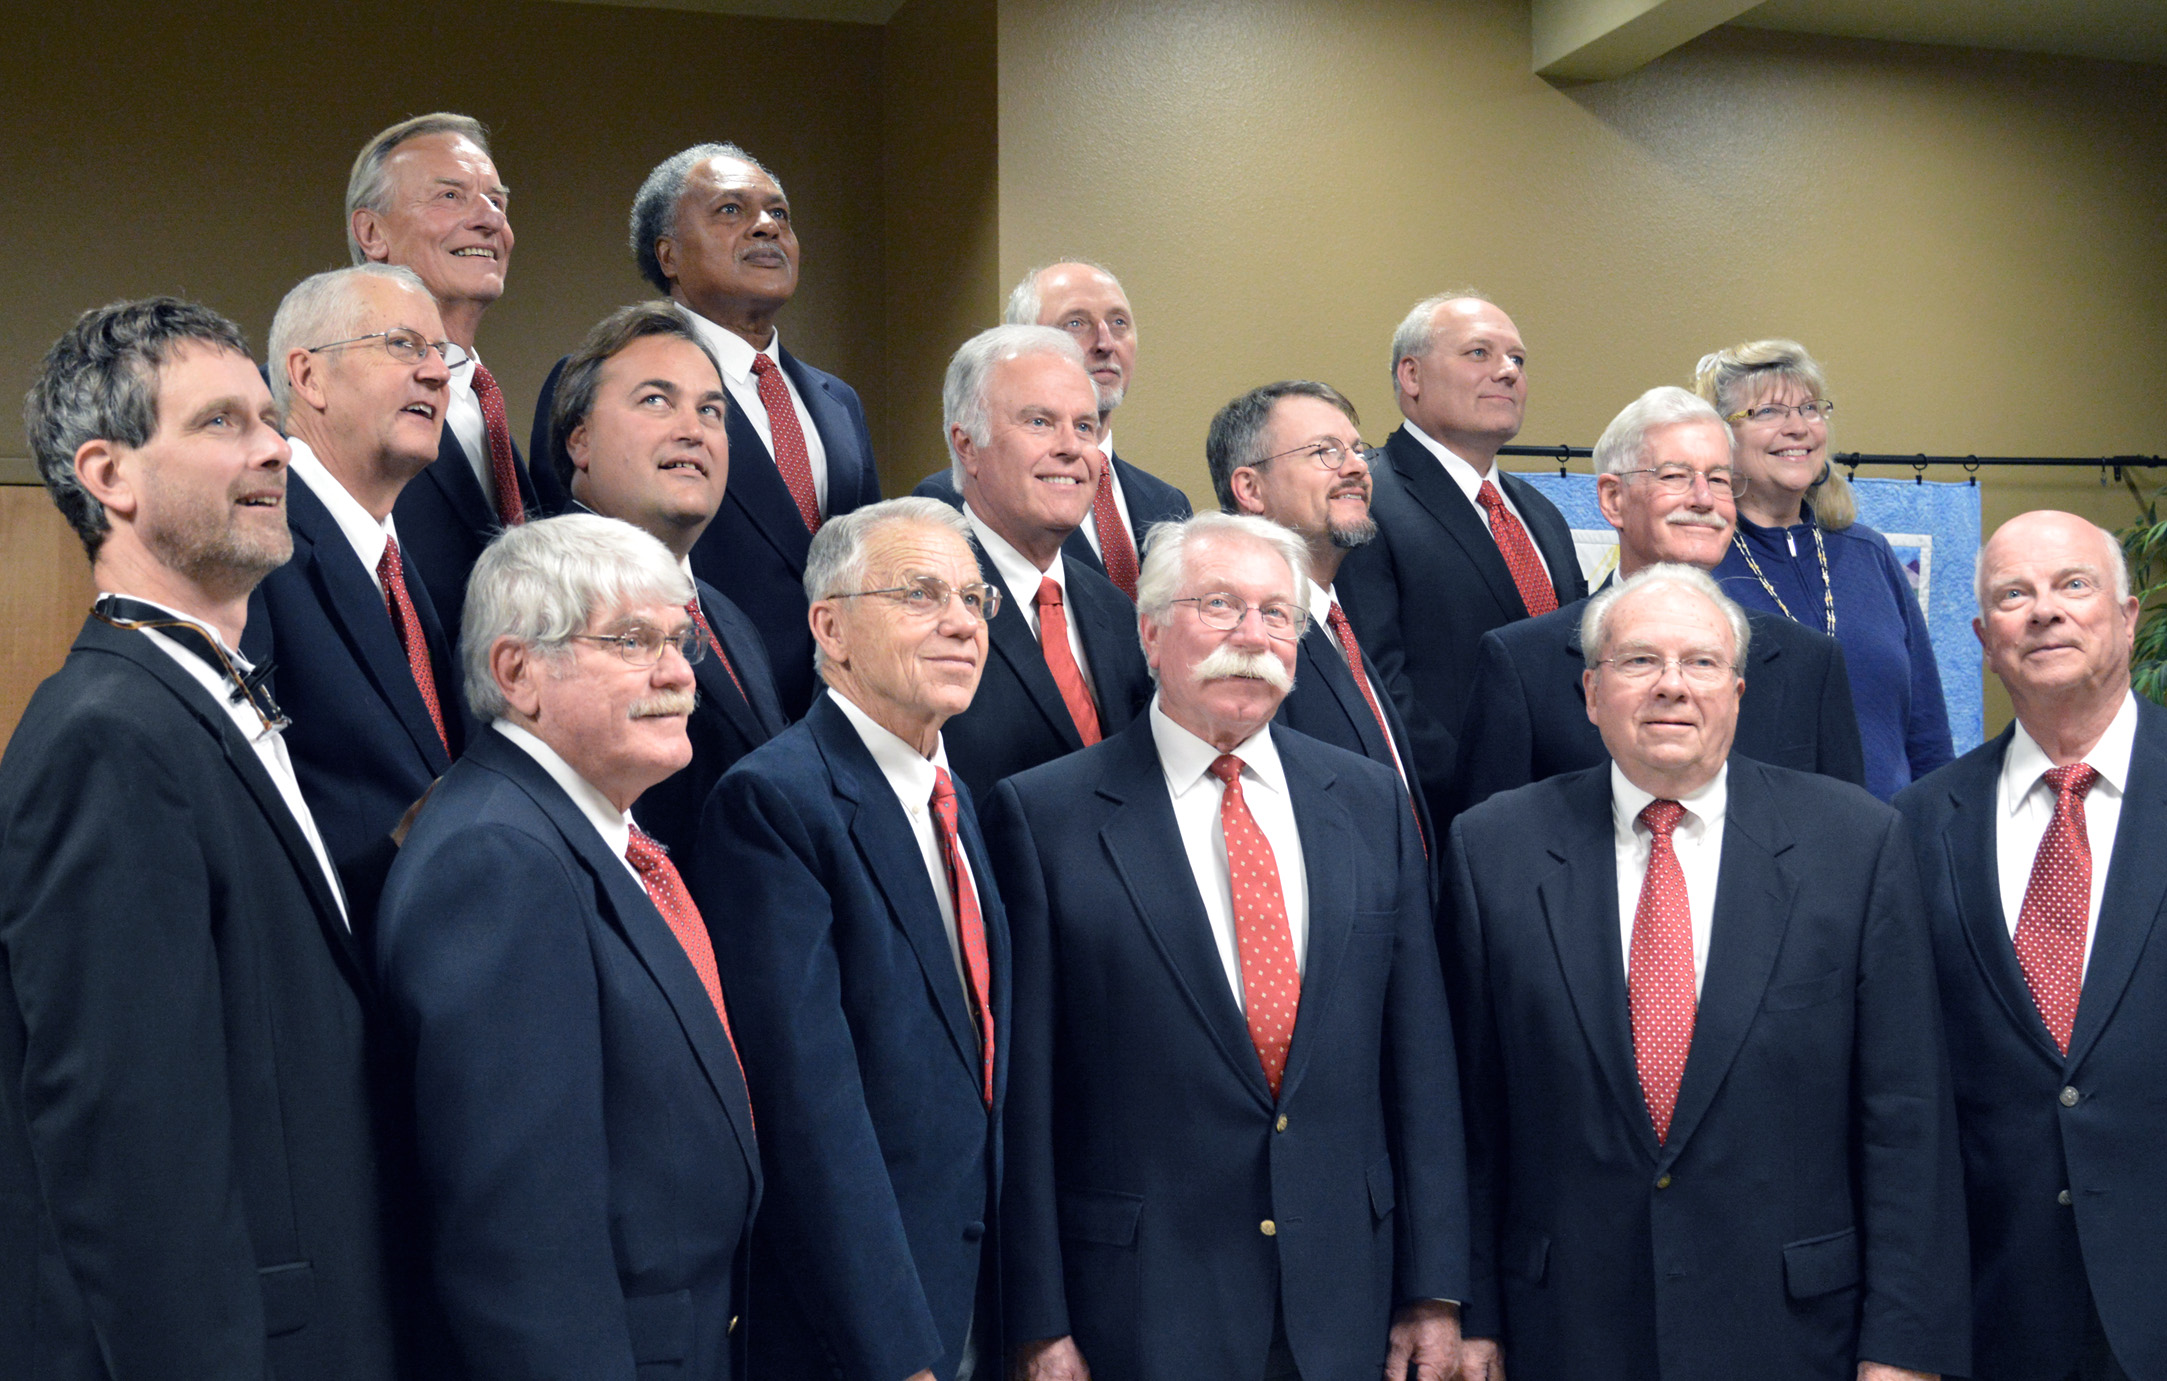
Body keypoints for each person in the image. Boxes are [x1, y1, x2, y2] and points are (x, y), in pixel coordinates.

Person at [1, 298, 399, 1379]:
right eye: (223, 422)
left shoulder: (215, 703)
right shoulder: (106, 740)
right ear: (109, 476)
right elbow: (134, 1156)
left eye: (272, 420)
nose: (274, 447)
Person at [1445, 563, 1968, 1381]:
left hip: (1793, 1329)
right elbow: (1471, 1115)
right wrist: (1469, 1313)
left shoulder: (1854, 844)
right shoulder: (1493, 849)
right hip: (1565, 1327)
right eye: (1638, 661)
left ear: (1735, 691)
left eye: (1698, 663)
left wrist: (1901, 1345)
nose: (1670, 687)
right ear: (1589, 692)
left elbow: (1906, 1117)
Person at [985, 512, 1468, 1381]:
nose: (1252, 635)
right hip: (1137, 1300)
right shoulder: (1044, 816)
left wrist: (1433, 1289)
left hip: (1343, 1295)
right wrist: (1036, 1318)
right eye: (1219, 605)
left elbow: (1420, 1061)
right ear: (1151, 630)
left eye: (1276, 614)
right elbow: (1027, 1093)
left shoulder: (1366, 800)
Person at [376, 514, 760, 1380]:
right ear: (518, 672)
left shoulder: (591, 834)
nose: (675, 673)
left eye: (679, 640)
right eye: (632, 640)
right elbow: (519, 1239)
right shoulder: (498, 858)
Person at [693, 497, 1008, 1381]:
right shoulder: (775, 802)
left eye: (972, 598)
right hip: (864, 1332)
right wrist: (894, 1351)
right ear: (828, 626)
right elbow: (808, 1114)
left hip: (975, 1298)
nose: (958, 622)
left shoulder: (954, 792)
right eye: (918, 593)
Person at [1896, 510, 2167, 1381]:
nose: (2043, 612)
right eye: (2014, 595)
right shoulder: (1913, 827)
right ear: (1983, 636)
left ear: (2128, 617)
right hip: (1993, 1317)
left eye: (2072, 585)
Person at [533, 141, 882, 718]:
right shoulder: (592, 382)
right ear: (667, 256)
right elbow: (575, 579)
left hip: (841, 723)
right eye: (731, 211)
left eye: (779, 214)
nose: (767, 226)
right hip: (691, 712)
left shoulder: (837, 401)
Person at [1452, 386, 1864, 817]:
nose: (1704, 499)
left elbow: (1843, 841)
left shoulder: (1809, 664)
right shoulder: (1523, 663)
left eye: (1720, 479)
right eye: (1674, 476)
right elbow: (1488, 856)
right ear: (1613, 498)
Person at [546, 300, 787, 865]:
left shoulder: (728, 617)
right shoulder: (544, 606)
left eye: (711, 411)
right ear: (579, 442)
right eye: (656, 401)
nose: (693, 431)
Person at [245, 263, 464, 871]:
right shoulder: (255, 548)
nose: (437, 372)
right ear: (308, 376)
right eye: (403, 345)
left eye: (441, 353)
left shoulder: (398, 564)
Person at [1336, 291, 1585, 817]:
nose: (1508, 372)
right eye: (1479, 353)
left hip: (1570, 810)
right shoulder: (1367, 499)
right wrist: (1487, 793)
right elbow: (1377, 683)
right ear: (1412, 376)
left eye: (1517, 359)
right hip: (1451, 815)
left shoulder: (1541, 514)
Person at [1698, 339, 1953, 800]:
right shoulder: (1701, 565)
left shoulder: (1870, 554)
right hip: (1755, 845)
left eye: (1811, 409)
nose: (1798, 427)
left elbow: (1927, 731)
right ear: (1719, 437)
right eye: (1769, 412)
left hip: (1888, 840)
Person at [351, 113, 559, 644]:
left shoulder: (483, 408)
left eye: (497, 201)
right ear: (372, 233)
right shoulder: (315, 407)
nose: (489, 220)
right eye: (450, 196)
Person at [921, 325, 1153, 800]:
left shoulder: (1113, 607)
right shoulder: (914, 603)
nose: (1071, 447)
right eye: (1039, 423)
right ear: (967, 447)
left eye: (1084, 426)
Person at [1209, 379, 1433, 854]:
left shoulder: (1338, 624)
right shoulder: (1240, 642)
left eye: (1356, 449)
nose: (1356, 468)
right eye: (1325, 453)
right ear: (1250, 488)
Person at [916, 261, 1192, 597]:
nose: (1106, 342)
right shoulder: (946, 501)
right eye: (1076, 323)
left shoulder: (1166, 501)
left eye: (1119, 322)